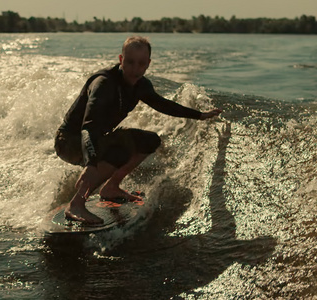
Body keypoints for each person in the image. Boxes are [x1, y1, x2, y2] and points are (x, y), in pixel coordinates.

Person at [54, 36, 222, 224]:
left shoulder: (141, 85)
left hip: (96, 138)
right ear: (121, 60)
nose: (135, 69)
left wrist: (200, 115)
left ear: (148, 64)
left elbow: (164, 105)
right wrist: (91, 164)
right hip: (70, 141)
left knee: (149, 140)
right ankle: (77, 204)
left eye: (141, 63)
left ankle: (111, 187)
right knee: (118, 152)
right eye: (130, 62)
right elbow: (88, 127)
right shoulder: (103, 83)